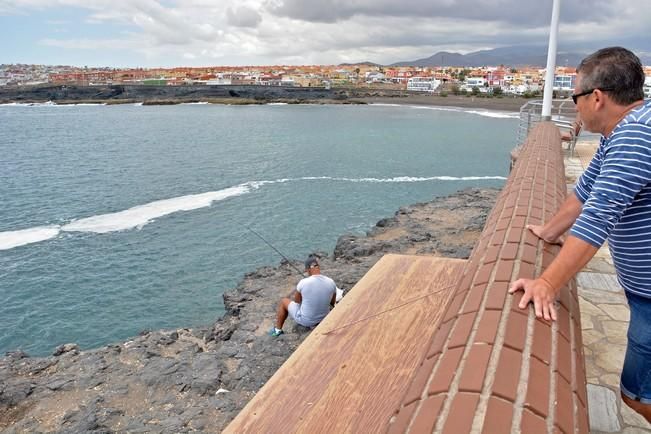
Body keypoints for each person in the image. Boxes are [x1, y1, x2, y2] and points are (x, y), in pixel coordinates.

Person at [509, 47, 651, 421]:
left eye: (575, 98)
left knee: (639, 395)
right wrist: (548, 230)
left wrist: (547, 283)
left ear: (597, 97)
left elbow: (597, 217)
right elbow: (585, 191)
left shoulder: (634, 137)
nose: (575, 108)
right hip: (643, 291)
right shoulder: (620, 130)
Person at [269, 255, 337, 337]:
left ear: (308, 270)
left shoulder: (303, 282)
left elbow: (297, 301)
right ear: (318, 267)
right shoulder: (331, 282)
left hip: (307, 321)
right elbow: (332, 303)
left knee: (284, 301)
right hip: (324, 317)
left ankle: (278, 330)